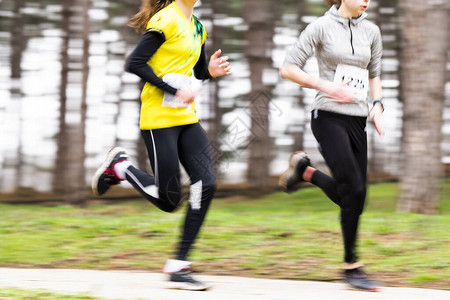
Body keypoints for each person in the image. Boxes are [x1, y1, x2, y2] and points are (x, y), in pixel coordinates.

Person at [92, 0, 231, 291]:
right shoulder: (165, 20)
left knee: (204, 185)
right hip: (158, 120)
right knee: (169, 200)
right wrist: (173, 90)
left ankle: (179, 265)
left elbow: (194, 69)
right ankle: (121, 167)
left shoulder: (197, 27)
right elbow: (135, 63)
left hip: (187, 119)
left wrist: (210, 72)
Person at [278, 0, 383, 291]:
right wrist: (325, 86)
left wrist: (377, 105)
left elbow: (374, 74)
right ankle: (352, 266)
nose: (366, 0)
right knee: (355, 190)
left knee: (356, 199)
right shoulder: (320, 27)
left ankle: (305, 171)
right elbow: (287, 68)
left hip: (357, 120)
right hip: (327, 116)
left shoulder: (372, 31)